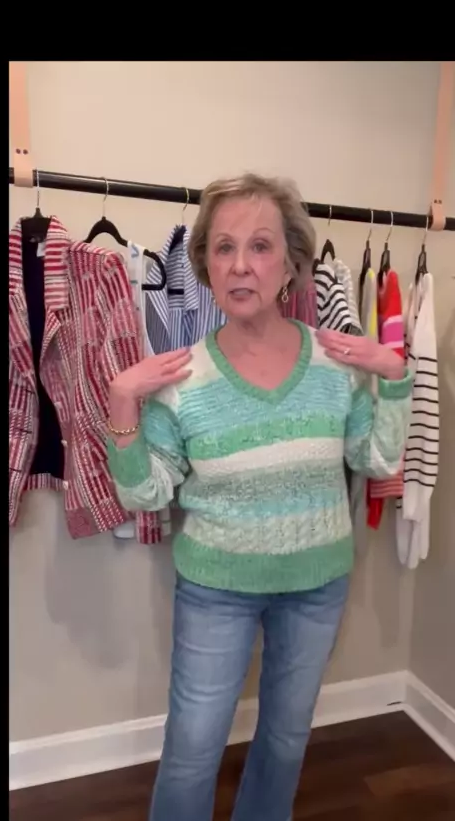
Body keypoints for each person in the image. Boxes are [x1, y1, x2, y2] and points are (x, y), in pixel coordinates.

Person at [106, 174, 412, 821]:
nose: (241, 264)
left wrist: (392, 377)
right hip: (215, 591)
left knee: (285, 739)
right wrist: (122, 402)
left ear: (291, 263)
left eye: (261, 245)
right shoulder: (181, 378)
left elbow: (379, 460)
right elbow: (144, 493)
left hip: (317, 585)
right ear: (205, 265)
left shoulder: (336, 364)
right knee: (192, 750)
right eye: (224, 247)